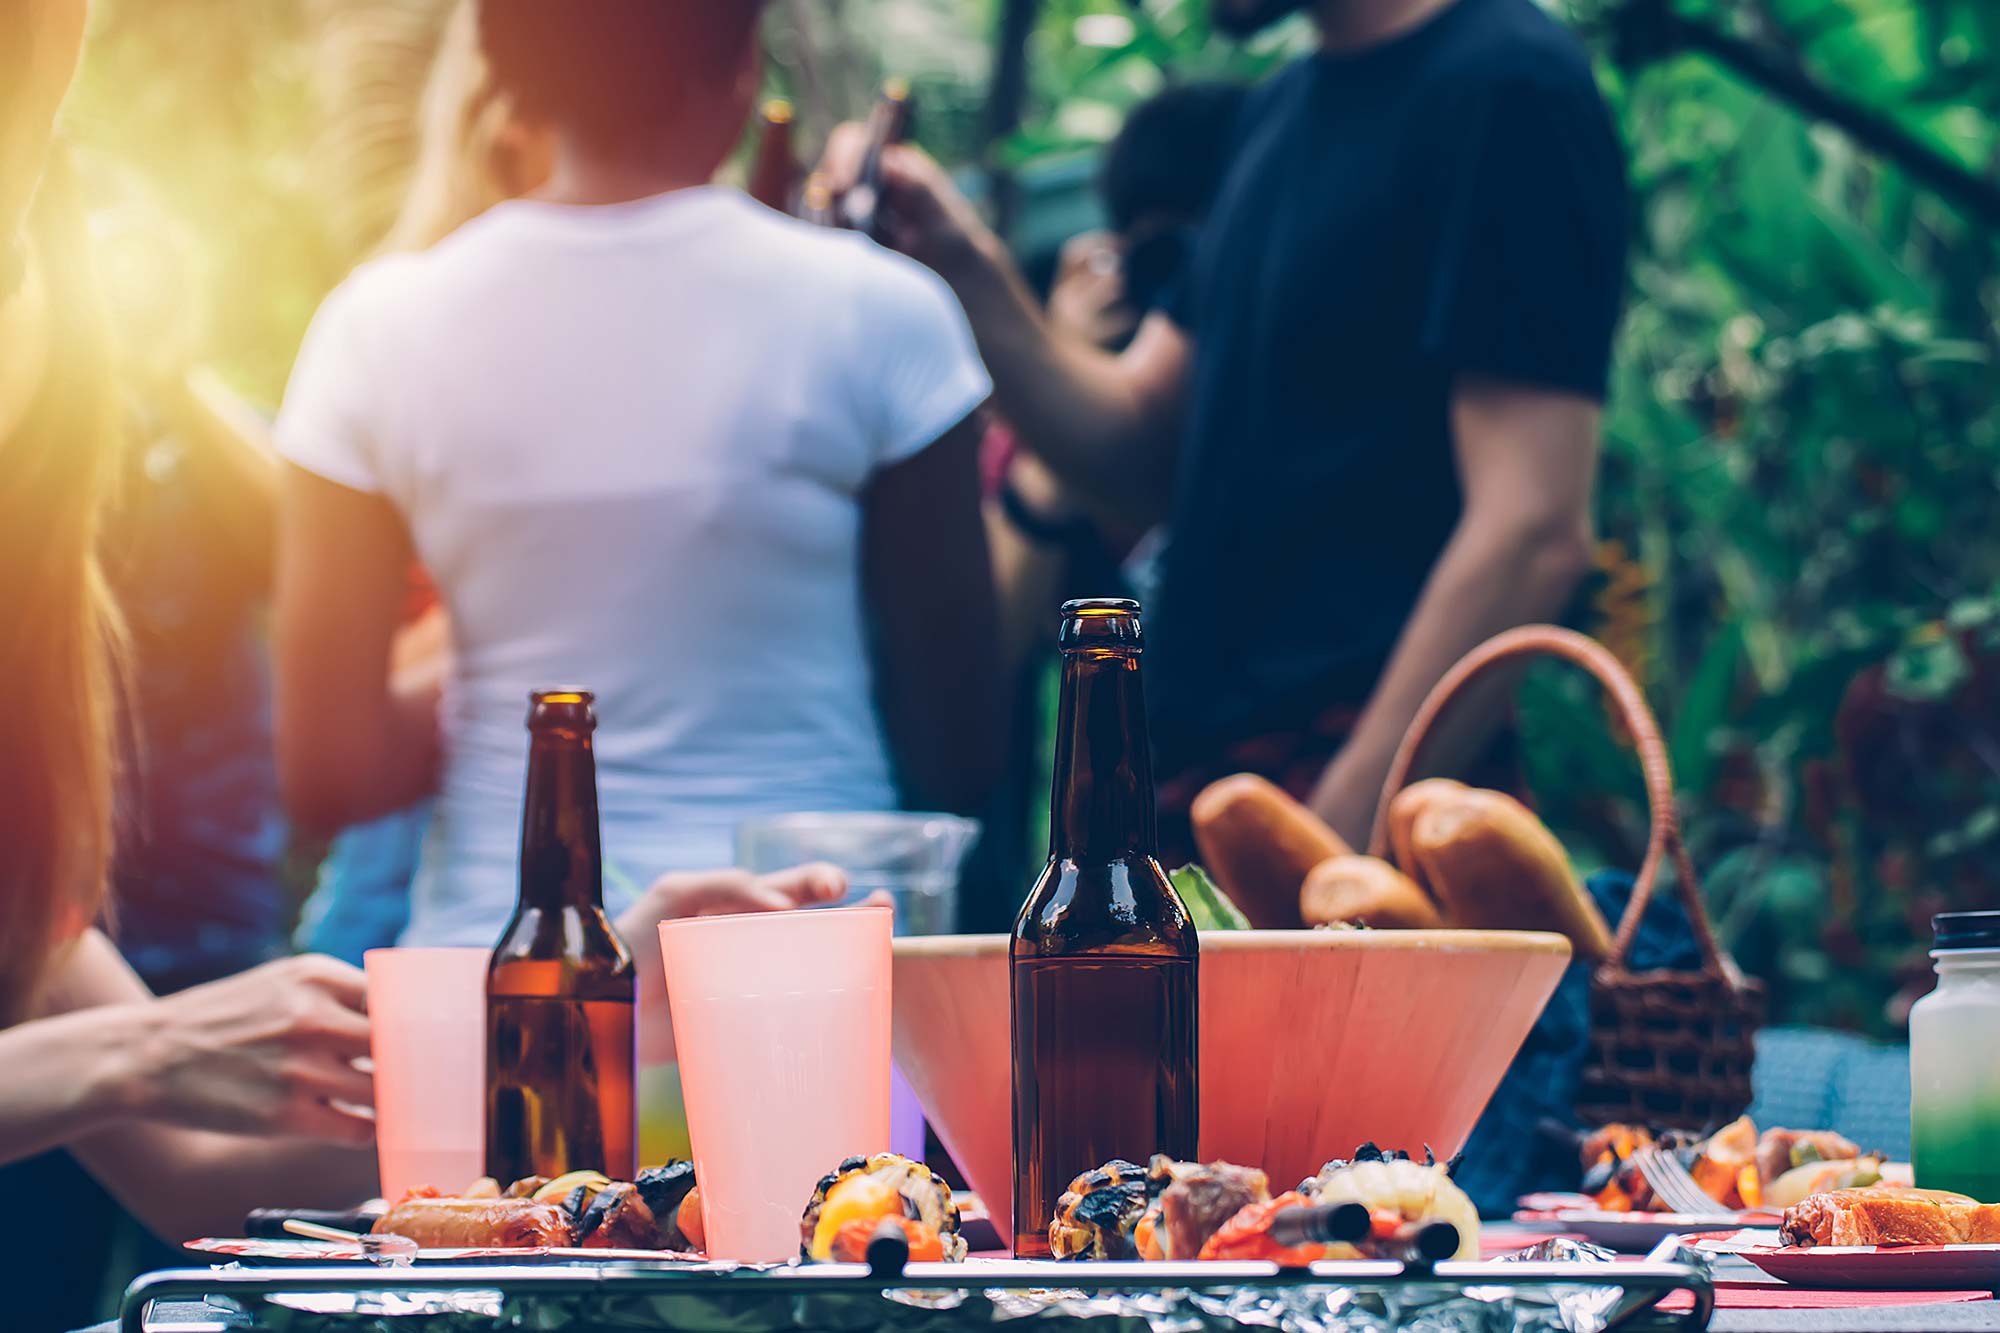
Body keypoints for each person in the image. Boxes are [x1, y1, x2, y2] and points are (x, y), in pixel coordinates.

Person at [823, 0, 1628, 927]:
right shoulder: (1276, 114)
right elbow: (1142, 451)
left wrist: (1327, 849)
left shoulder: (1510, 86)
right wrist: (958, 261)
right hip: (1219, 814)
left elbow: (1530, 527)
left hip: (1363, 832)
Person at [274, 0, 1003, 947]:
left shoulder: (376, 329)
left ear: (508, 79)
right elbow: (960, 747)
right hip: (815, 955)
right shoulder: (882, 310)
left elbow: (329, 773)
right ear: (741, 67)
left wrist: (522, 662)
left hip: (515, 966)